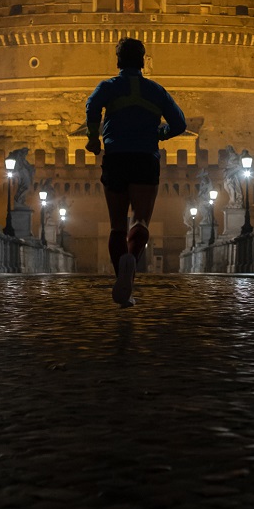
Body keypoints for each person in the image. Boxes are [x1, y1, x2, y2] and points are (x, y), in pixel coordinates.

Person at [85, 38, 186, 307]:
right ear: (143, 62)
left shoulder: (109, 86)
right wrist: (160, 133)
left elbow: (92, 106)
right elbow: (179, 123)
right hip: (145, 158)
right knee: (140, 220)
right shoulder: (156, 91)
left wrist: (94, 138)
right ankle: (133, 259)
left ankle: (124, 282)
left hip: (116, 157)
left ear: (118, 61)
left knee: (117, 225)